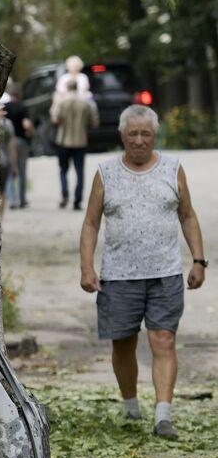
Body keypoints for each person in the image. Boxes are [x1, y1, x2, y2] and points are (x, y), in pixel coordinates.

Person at [79, 104, 206, 439]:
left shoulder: (172, 169)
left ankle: (163, 415)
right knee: (123, 344)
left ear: (154, 136)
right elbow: (91, 224)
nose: (138, 140)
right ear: (123, 135)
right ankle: (131, 406)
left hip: (165, 274)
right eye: (132, 134)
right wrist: (86, 267)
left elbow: (188, 216)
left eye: (145, 134)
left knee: (163, 339)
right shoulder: (105, 173)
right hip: (118, 276)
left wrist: (198, 259)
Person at [51, 77, 98, 210]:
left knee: (63, 170)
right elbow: (94, 122)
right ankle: (77, 200)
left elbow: (55, 119)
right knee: (79, 172)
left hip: (63, 140)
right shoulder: (86, 103)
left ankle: (65, 194)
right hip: (80, 141)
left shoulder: (61, 102)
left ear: (67, 88)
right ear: (77, 87)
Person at [1, 82, 33, 208]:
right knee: (22, 171)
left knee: (9, 171)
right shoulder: (23, 107)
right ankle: (22, 200)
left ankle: (12, 200)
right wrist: (31, 134)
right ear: (20, 94)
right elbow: (27, 124)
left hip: (8, 141)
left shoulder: (5, 107)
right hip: (21, 141)